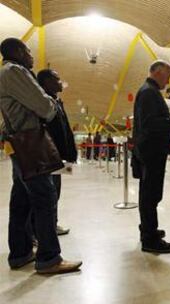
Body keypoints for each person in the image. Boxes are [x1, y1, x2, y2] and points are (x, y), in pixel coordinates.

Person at [0, 38, 81, 273]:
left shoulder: (7, 73)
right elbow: (45, 108)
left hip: (19, 145)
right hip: (29, 143)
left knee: (21, 200)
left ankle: (21, 252)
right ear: (16, 52)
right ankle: (49, 258)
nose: (31, 56)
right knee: (45, 197)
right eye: (27, 51)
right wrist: (49, 102)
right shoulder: (15, 71)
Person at [132, 60, 170, 254]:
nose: (168, 80)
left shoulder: (149, 91)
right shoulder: (149, 92)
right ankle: (149, 238)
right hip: (151, 152)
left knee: (149, 193)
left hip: (149, 151)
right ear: (157, 72)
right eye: (167, 75)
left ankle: (148, 229)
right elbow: (150, 124)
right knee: (150, 194)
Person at [37, 69, 78, 236]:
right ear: (47, 82)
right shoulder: (43, 103)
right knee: (49, 193)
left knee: (55, 192)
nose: (61, 82)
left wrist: (70, 152)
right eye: (57, 79)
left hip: (59, 155)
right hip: (49, 156)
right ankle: (43, 230)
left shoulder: (56, 101)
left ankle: (52, 224)